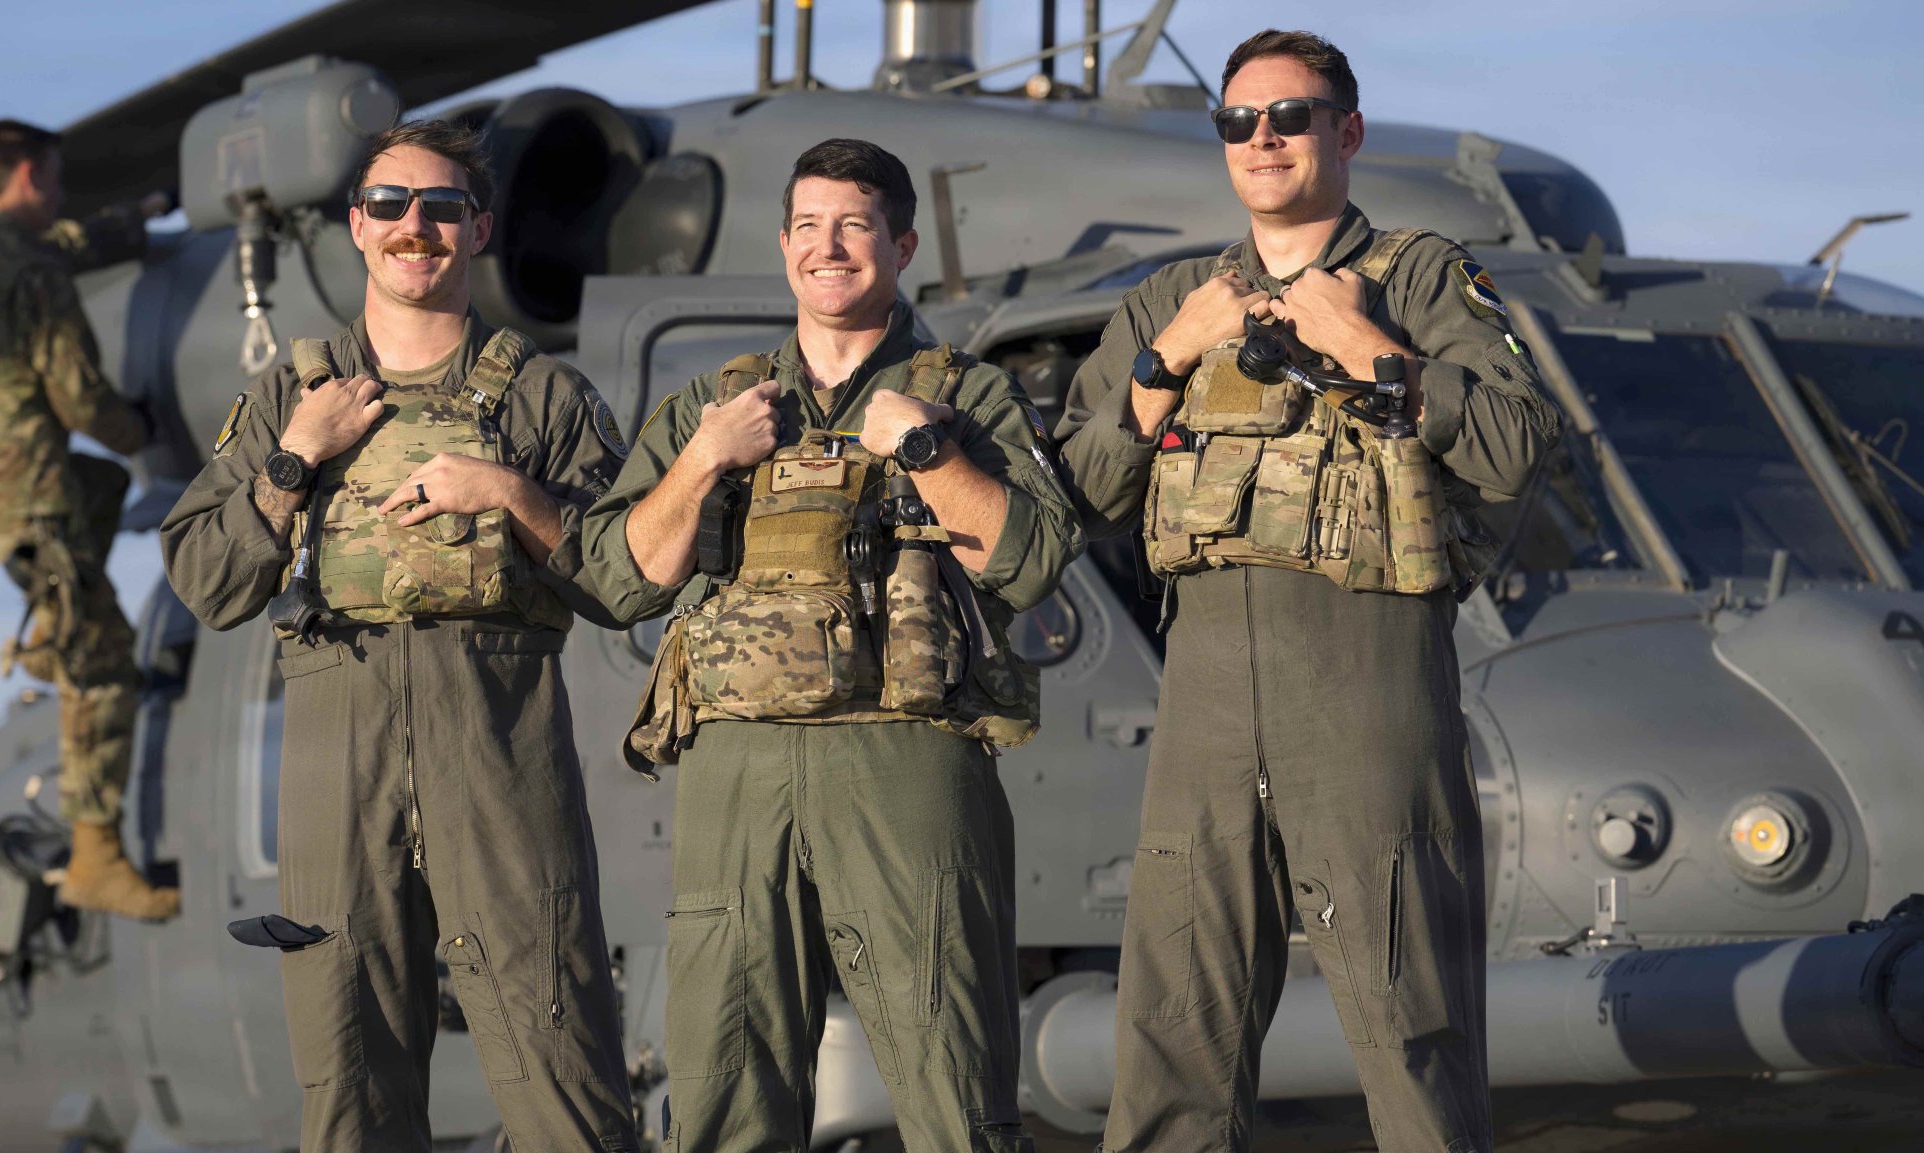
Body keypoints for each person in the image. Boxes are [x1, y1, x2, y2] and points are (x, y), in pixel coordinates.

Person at [1056, 29, 1562, 1153]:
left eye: (1289, 116)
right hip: (1202, 705)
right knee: (1169, 1040)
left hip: (1365, 680)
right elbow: (1070, 492)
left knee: (1407, 1025)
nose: (1263, 139)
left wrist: (1374, 350)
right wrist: (1165, 359)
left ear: (1347, 131)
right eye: (1238, 122)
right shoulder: (1168, 301)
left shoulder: (1420, 275)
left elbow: (1516, 444)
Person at [583, 138, 1078, 1153]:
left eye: (853, 224)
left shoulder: (961, 395)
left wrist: (926, 449)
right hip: (737, 769)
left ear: (899, 244)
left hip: (904, 757)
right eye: (807, 225)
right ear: (782, 247)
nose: (828, 246)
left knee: (951, 1073)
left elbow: (1027, 562)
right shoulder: (713, 404)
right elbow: (617, 575)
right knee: (724, 1081)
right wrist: (704, 459)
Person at [159, 120, 638, 1152]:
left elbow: (625, 582)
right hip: (340, 733)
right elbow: (207, 578)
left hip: (496, 729)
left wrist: (509, 491)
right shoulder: (292, 395)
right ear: (356, 227)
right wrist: (293, 460)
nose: (413, 226)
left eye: (442, 208)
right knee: (348, 1073)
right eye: (389, 206)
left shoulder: (547, 396)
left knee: (559, 1057)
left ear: (479, 231)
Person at [0, 118, 177, 920]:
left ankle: (43, 629)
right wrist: (144, 427)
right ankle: (96, 855)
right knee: (104, 659)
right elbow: (80, 398)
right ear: (30, 174)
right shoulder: (36, 279)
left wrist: (140, 214)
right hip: (31, 492)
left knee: (100, 486)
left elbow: (64, 241)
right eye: (56, 181)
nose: (61, 195)